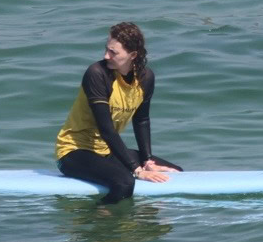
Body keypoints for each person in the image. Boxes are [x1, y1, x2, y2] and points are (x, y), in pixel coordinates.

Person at [55, 22, 183, 206]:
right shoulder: (97, 74)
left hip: (106, 152)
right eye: (107, 49)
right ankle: (98, 223)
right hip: (74, 152)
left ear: (132, 55)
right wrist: (137, 170)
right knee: (124, 183)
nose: (106, 55)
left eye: (113, 52)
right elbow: (106, 129)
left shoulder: (146, 79)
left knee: (175, 171)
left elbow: (142, 120)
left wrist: (147, 161)